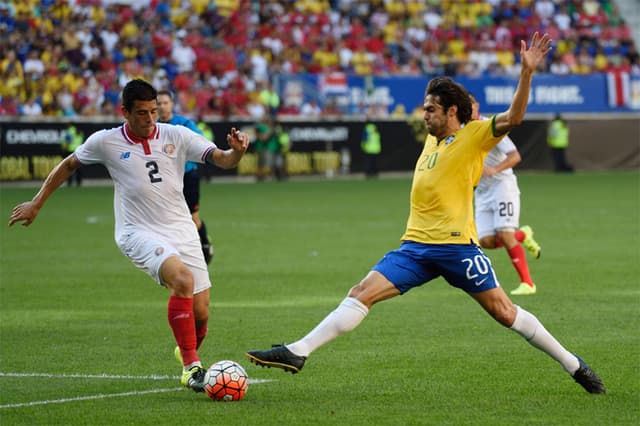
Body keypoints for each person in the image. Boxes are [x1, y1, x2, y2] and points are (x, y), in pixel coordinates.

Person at [245, 33, 605, 394]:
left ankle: (574, 365)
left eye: (431, 108)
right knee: (361, 292)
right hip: (415, 247)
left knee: (505, 313)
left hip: (456, 249)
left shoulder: (475, 135)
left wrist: (526, 74)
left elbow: (514, 116)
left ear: (451, 112)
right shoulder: (432, 140)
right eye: (425, 107)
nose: (425, 114)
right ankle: (298, 351)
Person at [9, 79, 250, 393]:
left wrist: (237, 152)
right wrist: (36, 203)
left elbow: (221, 159)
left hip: (181, 229)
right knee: (182, 280)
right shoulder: (106, 142)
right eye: (142, 113)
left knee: (201, 310)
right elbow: (69, 165)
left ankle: (186, 347)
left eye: (153, 112)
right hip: (137, 231)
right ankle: (191, 367)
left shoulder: (175, 134)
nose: (150, 119)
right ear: (124, 112)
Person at [470, 94, 541, 296]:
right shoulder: (464, 130)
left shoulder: (491, 126)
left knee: (504, 234)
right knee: (486, 241)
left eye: (470, 105)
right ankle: (523, 235)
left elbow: (515, 156)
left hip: (502, 185)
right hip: (483, 192)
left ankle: (528, 283)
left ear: (477, 106)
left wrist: (494, 170)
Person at [157, 90, 214, 264]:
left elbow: (199, 142)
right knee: (168, 217)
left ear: (172, 104)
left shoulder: (183, 124)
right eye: (158, 103)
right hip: (166, 179)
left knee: (192, 218)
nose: (162, 106)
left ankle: (204, 244)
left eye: (165, 103)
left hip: (187, 175)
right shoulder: (153, 127)